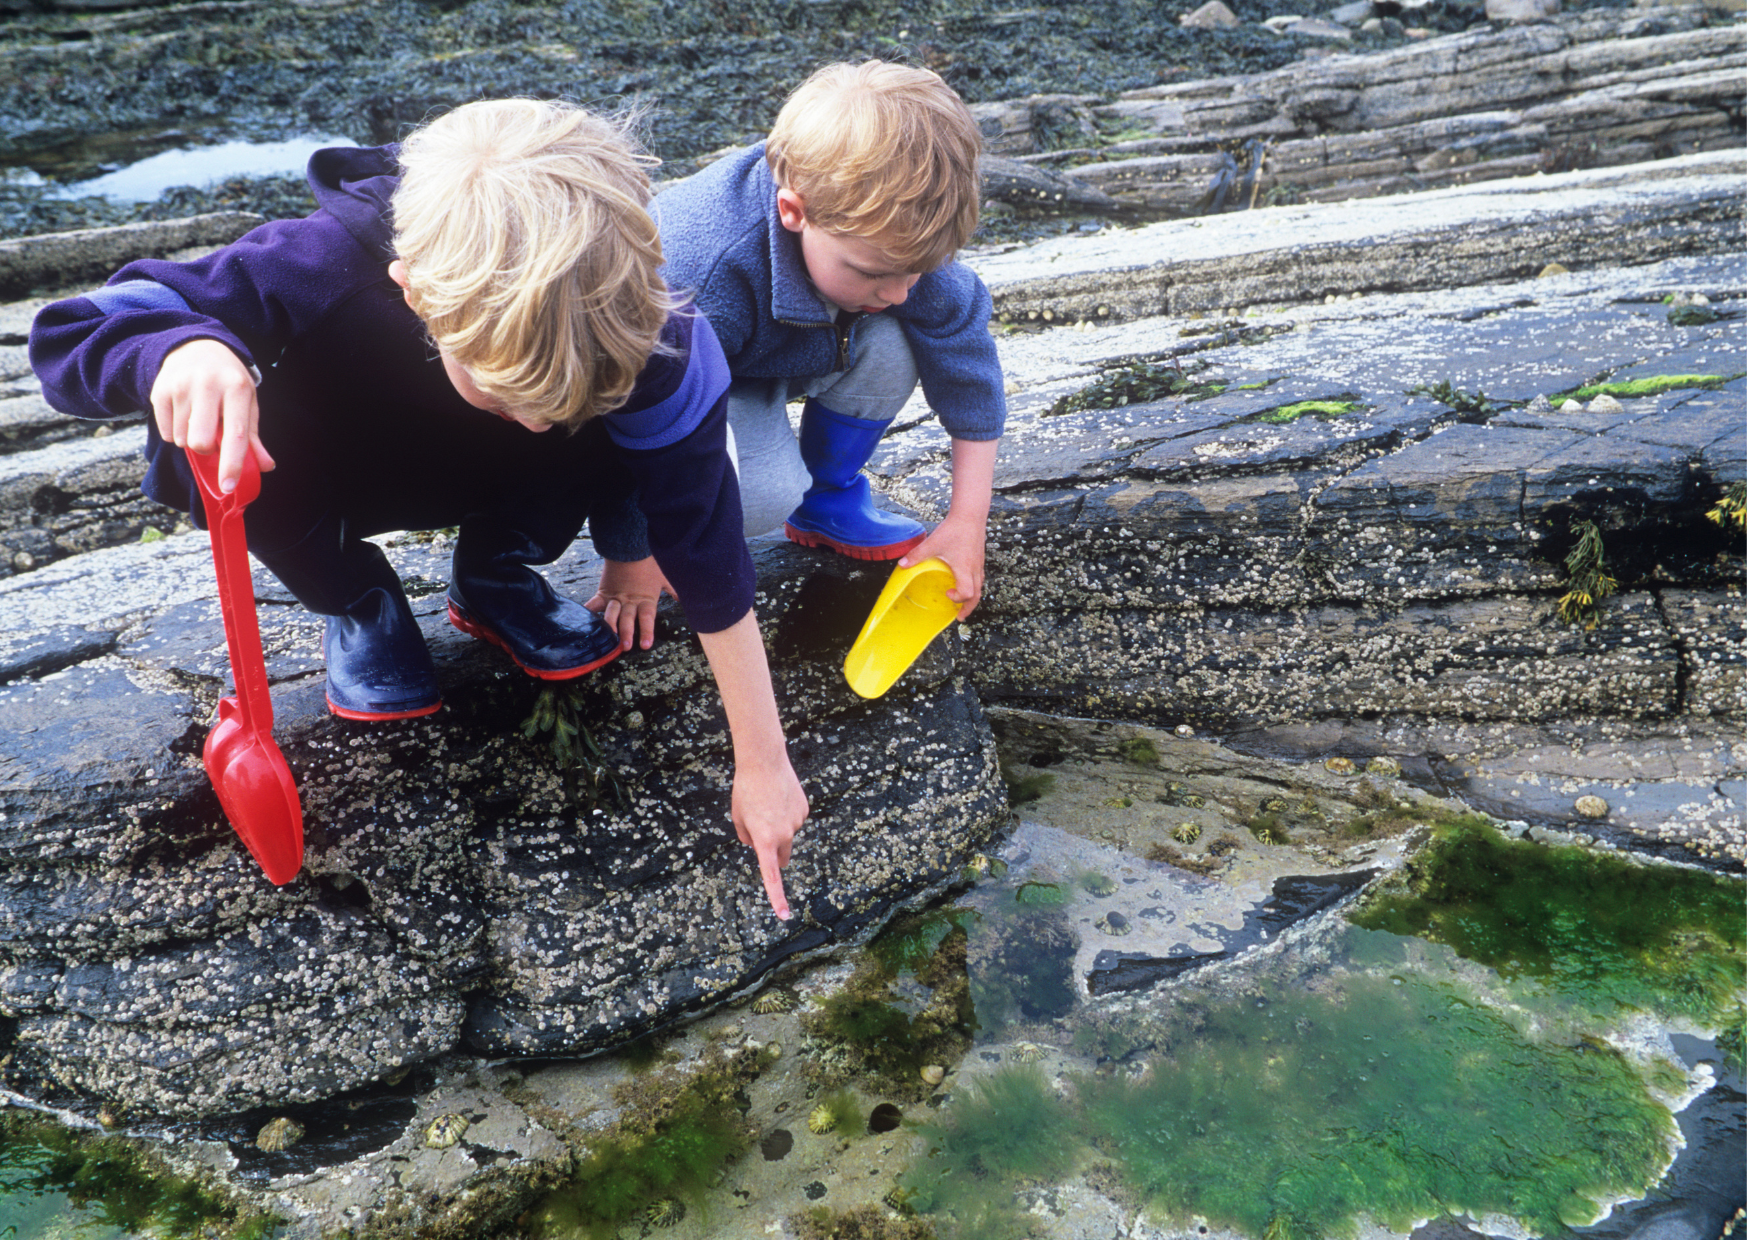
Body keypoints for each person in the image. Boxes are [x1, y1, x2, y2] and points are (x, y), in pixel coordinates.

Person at [29, 99, 808, 919]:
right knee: (208, 432)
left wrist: (761, 761)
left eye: (556, 403)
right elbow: (74, 330)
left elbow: (707, 544)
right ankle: (358, 598)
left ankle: (496, 568)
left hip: (499, 477)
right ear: (415, 292)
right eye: (517, 396)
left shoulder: (644, 326)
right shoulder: (317, 263)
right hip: (341, 458)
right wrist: (179, 348)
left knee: (613, 421)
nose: (542, 421)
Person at [655, 60, 1003, 619]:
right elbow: (639, 405)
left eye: (915, 273)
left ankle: (827, 495)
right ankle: (681, 527)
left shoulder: (900, 245)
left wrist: (966, 522)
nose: (896, 292)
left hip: (781, 352)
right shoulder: (703, 269)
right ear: (795, 211)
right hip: (687, 381)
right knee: (764, 496)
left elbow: (969, 375)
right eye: (873, 273)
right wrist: (634, 550)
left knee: (895, 342)